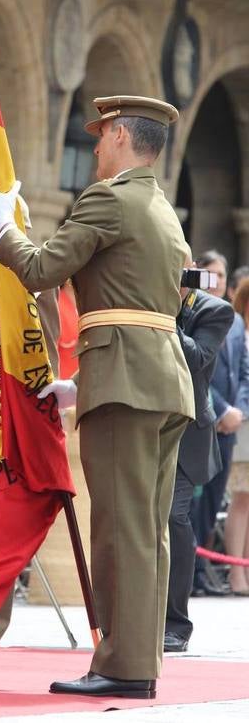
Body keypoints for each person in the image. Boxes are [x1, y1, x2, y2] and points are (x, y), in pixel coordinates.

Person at [0, 95, 194, 700]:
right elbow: (148, 303)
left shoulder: (108, 198)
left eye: (103, 136)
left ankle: (124, 667)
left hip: (125, 381)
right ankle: (139, 659)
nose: (97, 147)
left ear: (124, 138)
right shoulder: (161, 207)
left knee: (121, 528)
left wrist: (4, 226)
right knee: (147, 529)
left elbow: (44, 267)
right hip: (159, 377)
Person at [164, 258, 234, 652]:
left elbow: (196, 359)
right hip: (147, 423)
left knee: (175, 518)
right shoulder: (142, 301)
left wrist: (165, 311)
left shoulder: (214, 310)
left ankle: (176, 625)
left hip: (188, 431)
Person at [190, 250, 249, 596]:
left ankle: (201, 573)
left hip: (231, 424)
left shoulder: (237, 321)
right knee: (194, 501)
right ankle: (191, 574)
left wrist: (238, 411)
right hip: (204, 418)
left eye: (222, 277)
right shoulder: (193, 313)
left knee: (213, 500)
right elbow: (199, 370)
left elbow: (242, 371)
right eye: (210, 275)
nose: (216, 283)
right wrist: (221, 410)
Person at [224, 276, 249, 595]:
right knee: (242, 498)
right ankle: (235, 572)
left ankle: (245, 566)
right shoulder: (236, 330)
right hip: (243, 422)